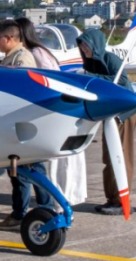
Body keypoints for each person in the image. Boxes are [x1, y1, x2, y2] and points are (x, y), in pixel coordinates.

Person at [17, 17, 87, 209]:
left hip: (50, 112)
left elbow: (49, 81)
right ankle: (50, 203)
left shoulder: (34, 53)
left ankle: (52, 204)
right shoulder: (39, 51)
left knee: (42, 164)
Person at [77, 28, 136, 216]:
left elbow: (122, 84)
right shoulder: (91, 63)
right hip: (108, 115)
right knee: (109, 158)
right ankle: (111, 198)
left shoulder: (111, 60)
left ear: (95, 44)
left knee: (121, 158)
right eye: (81, 46)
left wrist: (90, 77)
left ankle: (121, 201)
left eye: (86, 45)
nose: (84, 49)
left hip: (123, 115)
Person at [0, 21, 43, 231]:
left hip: (22, 125)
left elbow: (20, 90)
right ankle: (24, 212)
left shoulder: (22, 59)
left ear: (9, 39)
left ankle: (29, 212)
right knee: (21, 172)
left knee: (28, 171)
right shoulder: (12, 57)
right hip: (16, 124)